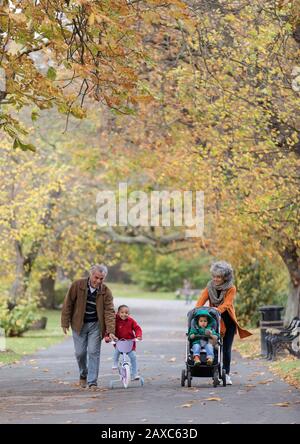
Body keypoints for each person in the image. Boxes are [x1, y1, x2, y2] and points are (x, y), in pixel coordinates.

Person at [61, 264, 117, 389]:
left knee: (93, 352)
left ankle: (92, 382)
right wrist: (65, 322)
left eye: (101, 279)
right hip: (78, 324)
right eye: (96, 277)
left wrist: (111, 330)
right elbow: (68, 303)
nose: (98, 281)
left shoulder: (105, 291)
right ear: (91, 274)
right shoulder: (78, 285)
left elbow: (109, 311)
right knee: (80, 353)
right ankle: (83, 374)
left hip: (95, 326)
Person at [195, 261, 252, 385]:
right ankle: (215, 372)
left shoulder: (231, 288)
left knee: (226, 349)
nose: (215, 279)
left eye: (218, 277)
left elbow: (227, 303)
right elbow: (201, 301)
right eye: (214, 276)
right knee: (214, 346)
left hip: (227, 320)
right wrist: (197, 310)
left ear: (225, 277)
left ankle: (226, 374)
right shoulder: (209, 287)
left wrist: (217, 310)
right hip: (214, 321)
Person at [110, 304, 142, 380]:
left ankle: (134, 374)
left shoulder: (131, 321)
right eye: (122, 312)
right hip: (119, 343)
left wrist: (138, 335)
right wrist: (108, 337)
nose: (124, 314)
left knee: (133, 357)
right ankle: (115, 363)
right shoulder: (115, 320)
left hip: (130, 343)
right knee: (116, 352)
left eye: (126, 313)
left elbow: (137, 328)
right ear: (118, 313)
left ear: (129, 314)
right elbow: (110, 329)